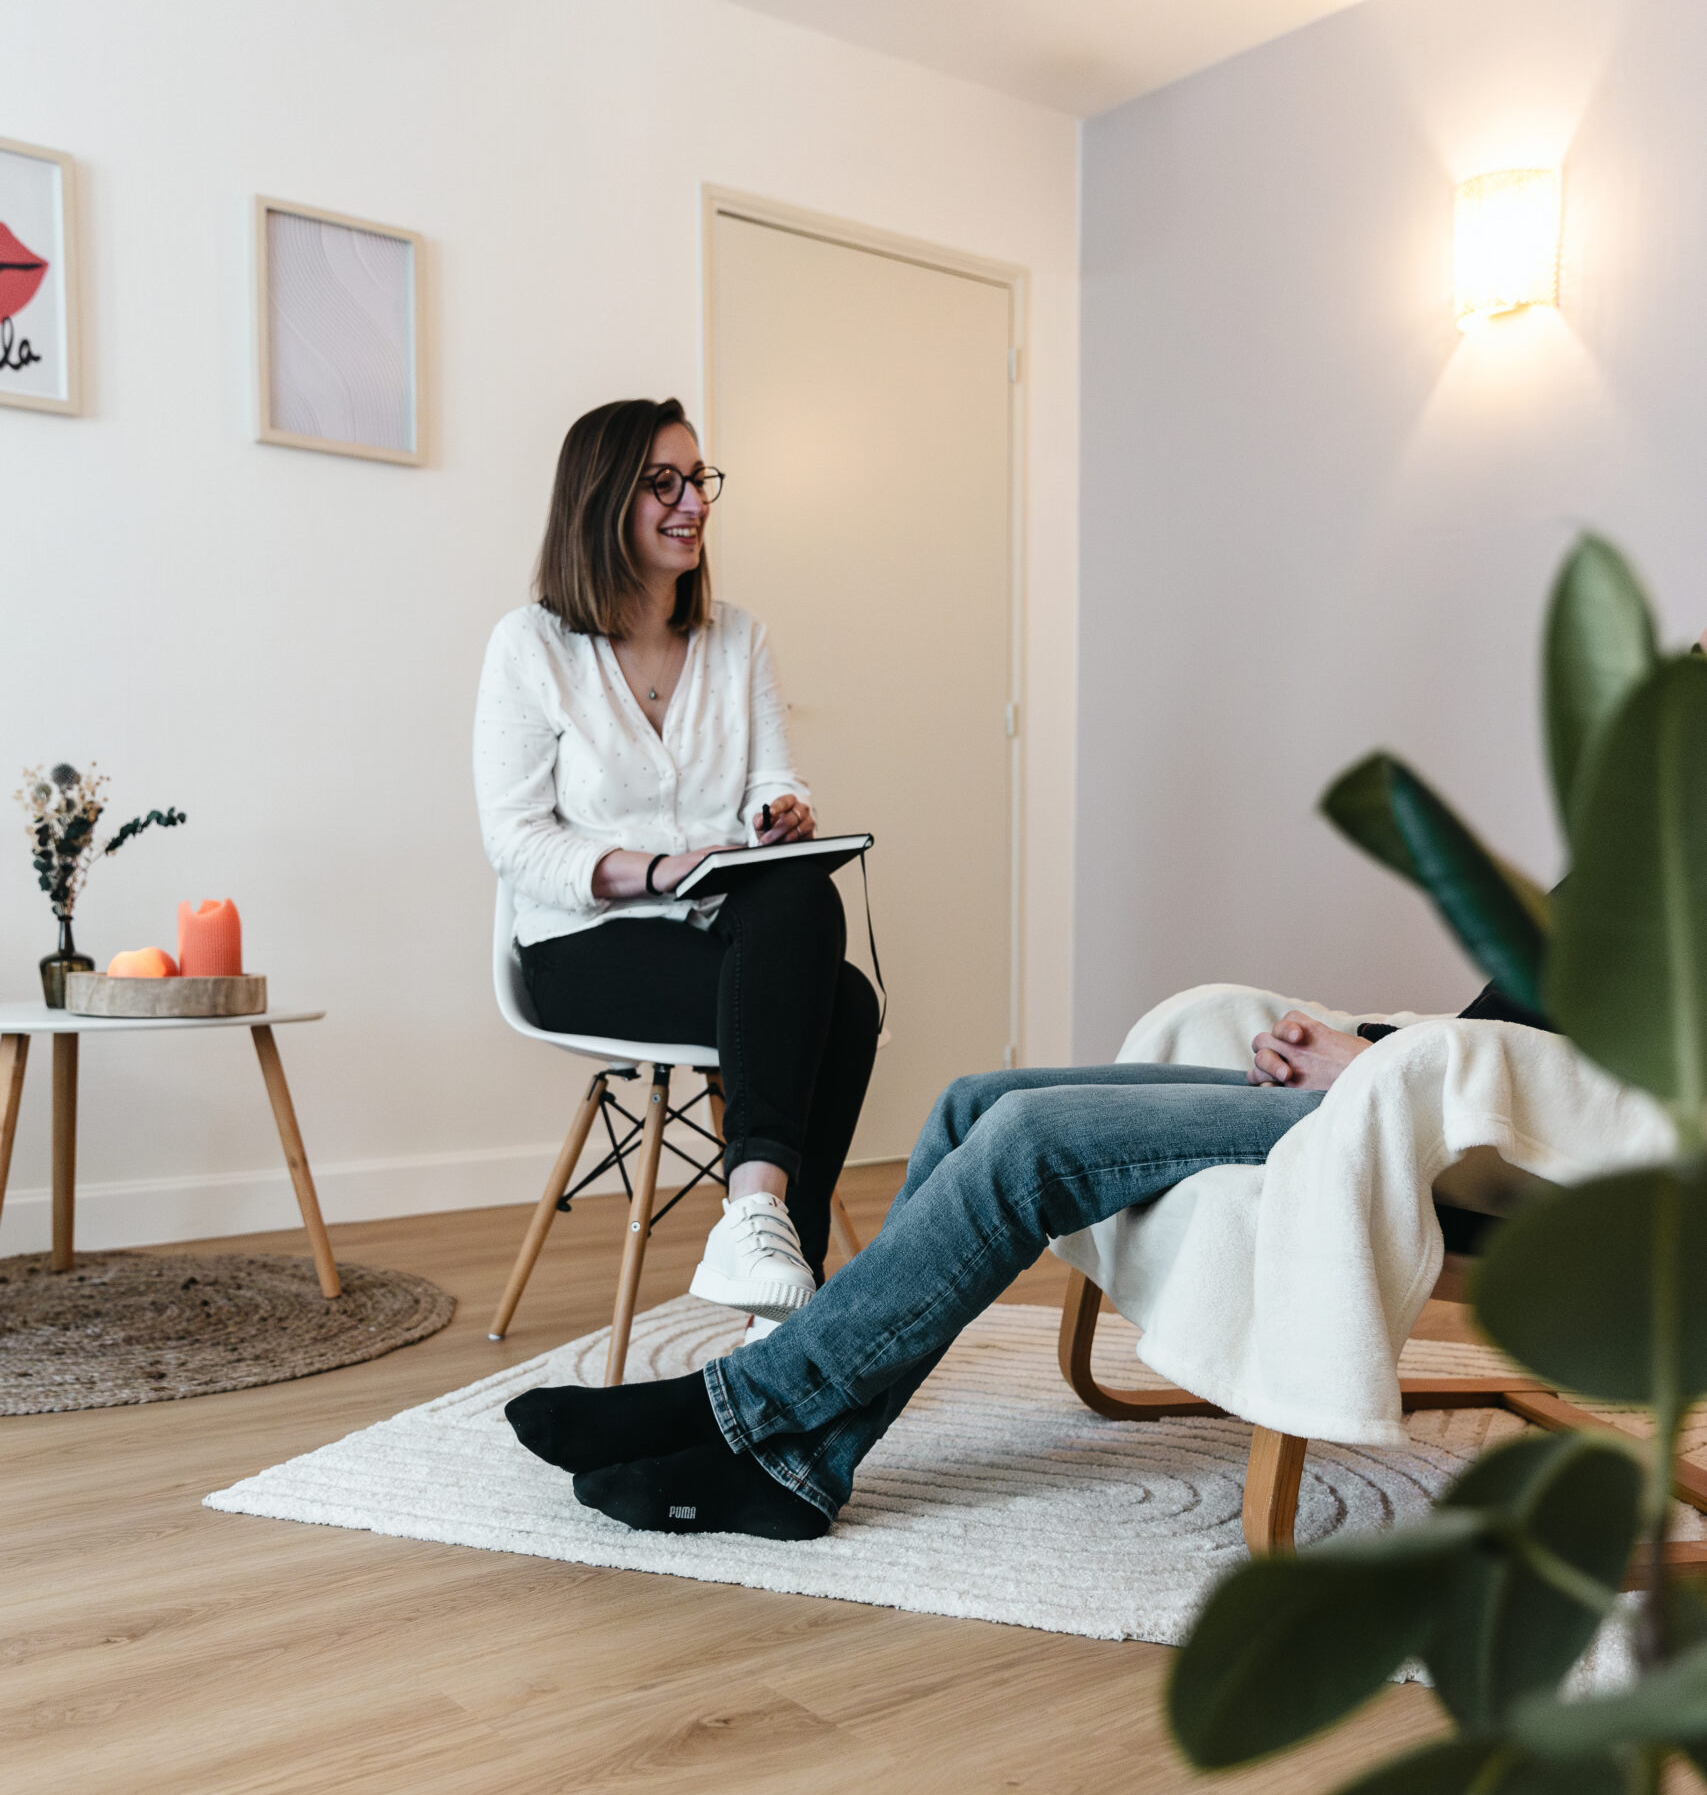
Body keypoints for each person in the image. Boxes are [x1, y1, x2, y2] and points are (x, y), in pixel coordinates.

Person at [504, 997, 1493, 1539]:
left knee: (1030, 1141)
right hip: (1401, 1073)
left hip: (1463, 1127)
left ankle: (736, 1404)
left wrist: (1381, 1063)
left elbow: (1563, 1067)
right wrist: (1370, 1043)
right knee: (974, 1102)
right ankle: (800, 1468)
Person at [475, 396, 880, 1322]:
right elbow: (515, 839)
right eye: (663, 483)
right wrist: (658, 869)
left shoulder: (738, 638)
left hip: (718, 929)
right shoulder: (530, 646)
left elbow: (770, 774)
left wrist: (776, 812)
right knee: (839, 1005)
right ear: (600, 498)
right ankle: (784, 1275)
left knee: (805, 905)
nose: (692, 502)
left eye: (698, 479)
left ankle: (761, 1244)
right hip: (581, 946)